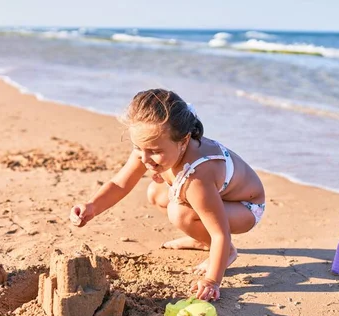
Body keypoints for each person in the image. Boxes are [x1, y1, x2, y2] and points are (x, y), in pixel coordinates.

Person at [69, 89, 265, 301]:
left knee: (180, 212)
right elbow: (120, 183)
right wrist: (92, 206)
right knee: (156, 193)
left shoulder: (198, 176)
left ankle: (226, 253)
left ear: (184, 140)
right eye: (138, 147)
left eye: (153, 151)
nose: (144, 158)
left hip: (245, 208)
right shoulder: (149, 147)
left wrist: (212, 281)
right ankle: (201, 240)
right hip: (216, 199)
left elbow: (220, 233)